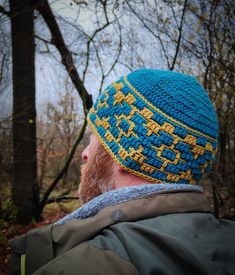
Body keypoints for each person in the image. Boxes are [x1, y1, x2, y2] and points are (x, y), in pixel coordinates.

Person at [8, 69, 235, 275]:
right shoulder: (226, 241)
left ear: (130, 152)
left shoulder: (85, 266)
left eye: (94, 138)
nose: (85, 153)